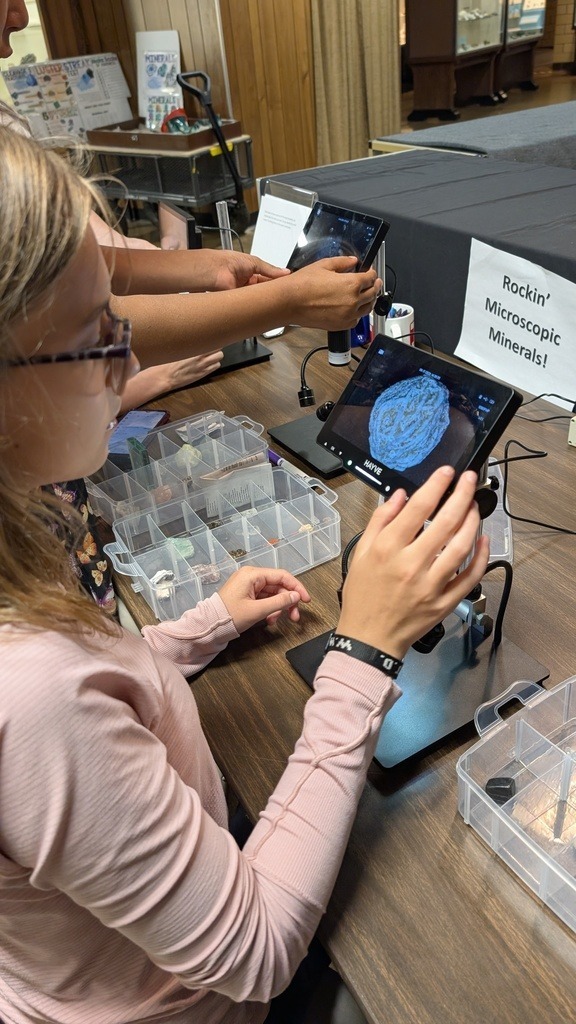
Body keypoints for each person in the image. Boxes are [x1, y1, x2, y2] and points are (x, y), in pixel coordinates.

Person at [0, 128, 489, 1024]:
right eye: (95, 339)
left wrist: (191, 631)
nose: (129, 363)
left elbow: (70, 707)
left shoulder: (25, 609)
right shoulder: (31, 696)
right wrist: (367, 649)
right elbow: (257, 951)